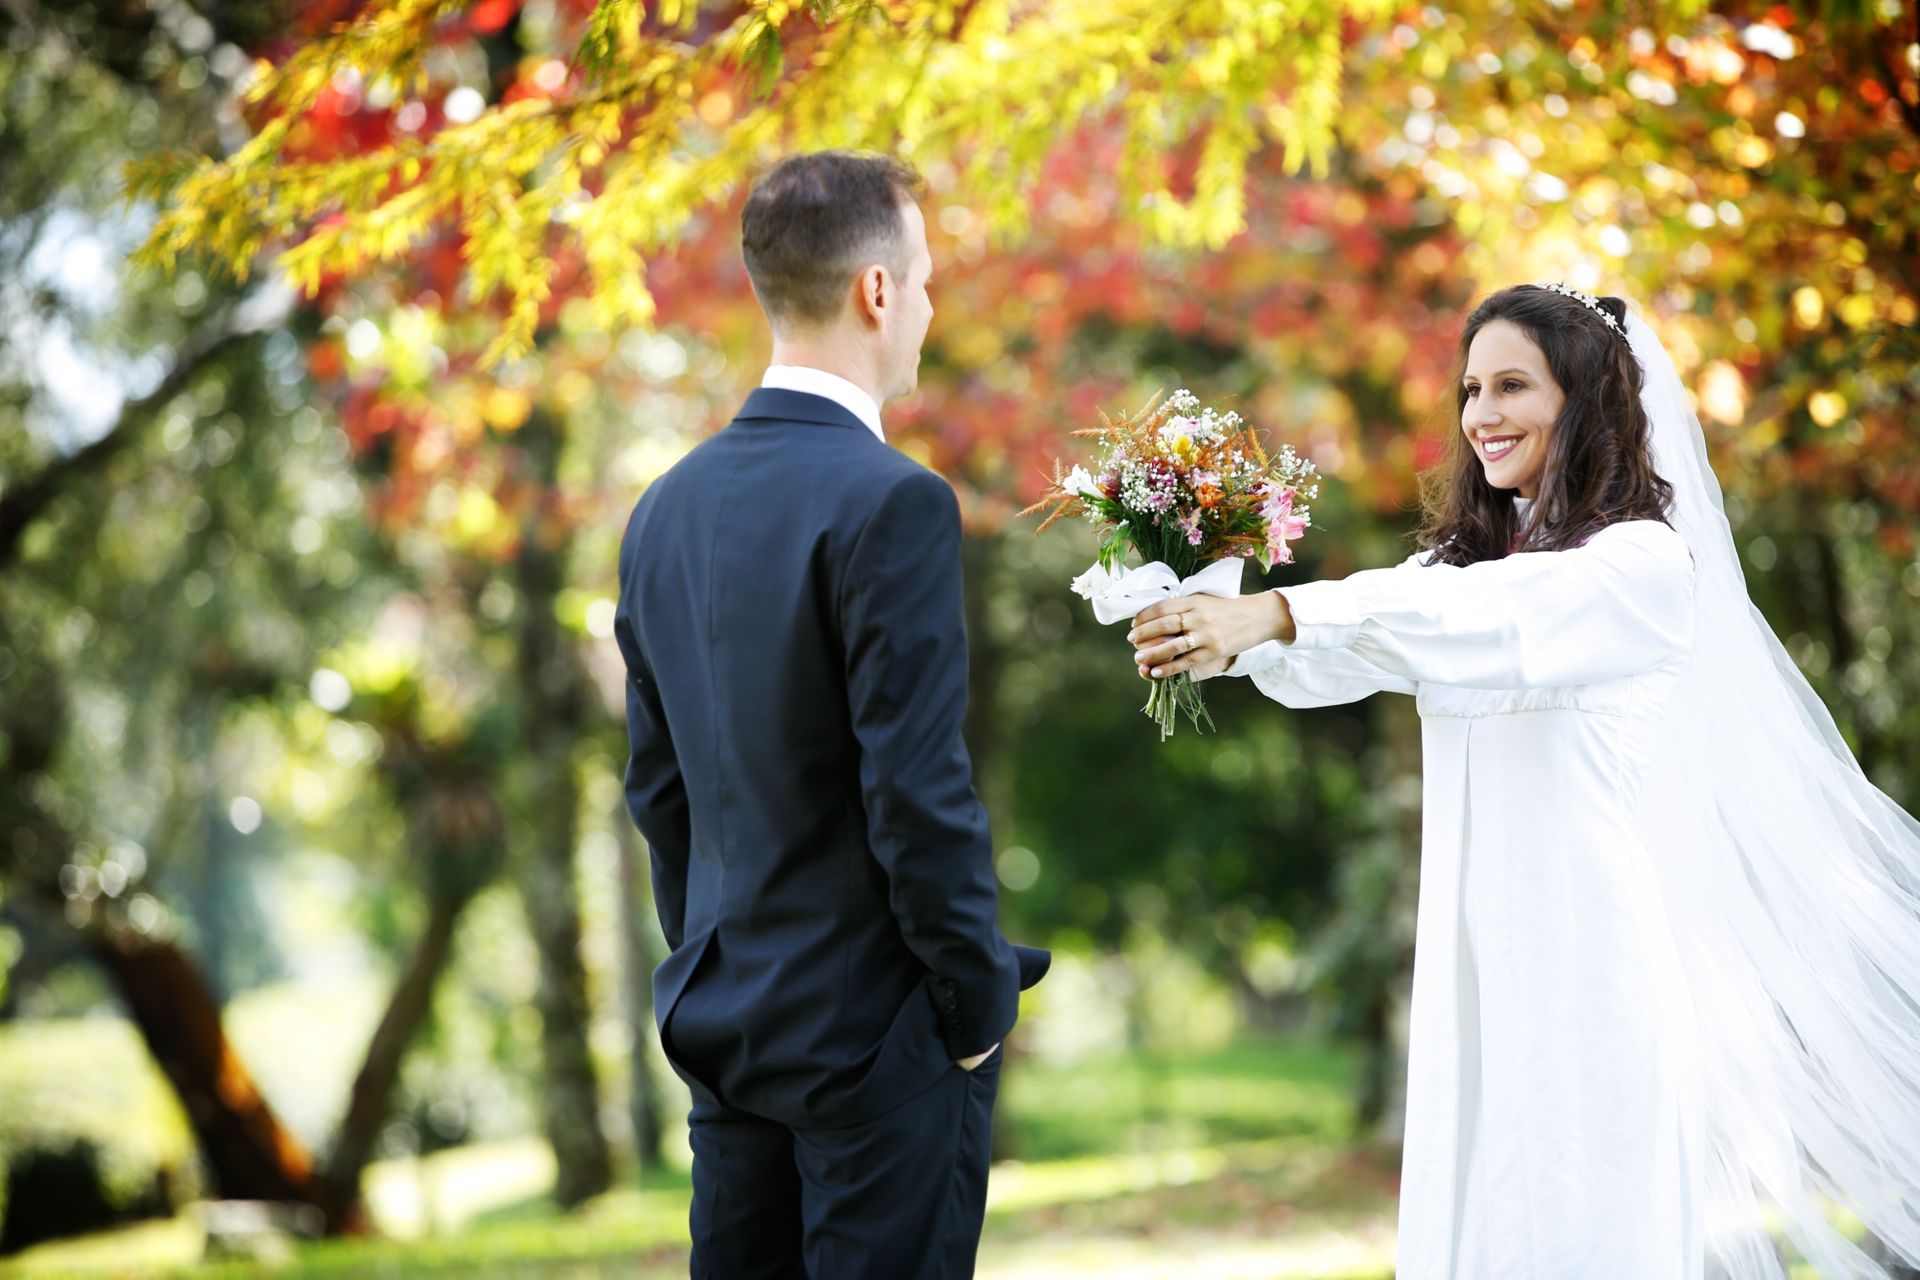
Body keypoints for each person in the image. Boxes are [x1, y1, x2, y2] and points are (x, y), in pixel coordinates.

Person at [1126, 284, 1920, 1279]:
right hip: (1473, 969)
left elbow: (1489, 619)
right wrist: (1205, 618)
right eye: (1470, 388)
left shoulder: (1639, 567)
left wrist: (1283, 613)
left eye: (1513, 385)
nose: (1482, 413)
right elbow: (1343, 653)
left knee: (1580, 1228)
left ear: (1585, 400)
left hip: (1587, 971)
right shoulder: (1457, 569)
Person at [614, 151, 1048, 1280]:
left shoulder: (662, 512)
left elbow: (659, 792)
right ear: (876, 293)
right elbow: (915, 789)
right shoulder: (894, 500)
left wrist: (717, 951)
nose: (930, 309)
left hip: (728, 1022)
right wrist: (972, 1006)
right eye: (928, 281)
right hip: (878, 1041)